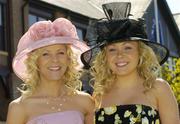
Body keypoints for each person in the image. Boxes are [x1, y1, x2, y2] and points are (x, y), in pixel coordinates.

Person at [81, 4, 180, 124]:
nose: (120, 55)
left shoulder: (159, 88)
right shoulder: (99, 94)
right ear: (104, 57)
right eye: (112, 49)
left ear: (140, 53)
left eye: (127, 48)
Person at [6, 18, 94, 124]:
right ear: (35, 61)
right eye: (45, 54)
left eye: (60, 53)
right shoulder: (19, 107)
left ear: (69, 58)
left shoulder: (86, 102)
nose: (55, 60)